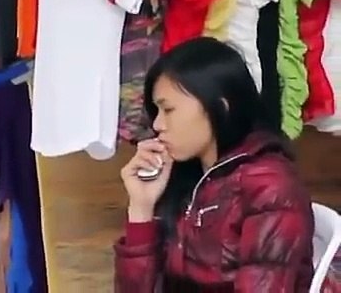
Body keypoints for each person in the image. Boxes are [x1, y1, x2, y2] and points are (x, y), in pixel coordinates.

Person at [114, 37, 317, 290]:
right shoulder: (190, 177)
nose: (157, 125)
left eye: (169, 110)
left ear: (220, 108)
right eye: (156, 112)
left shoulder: (270, 189)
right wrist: (141, 208)